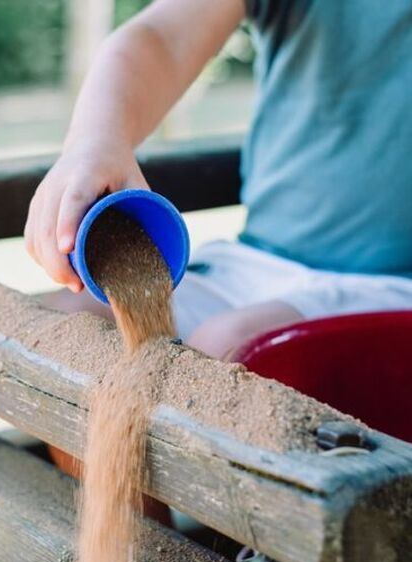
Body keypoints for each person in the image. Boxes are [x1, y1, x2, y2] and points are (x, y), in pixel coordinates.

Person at [24, 0, 412, 359]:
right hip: (251, 263)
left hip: (393, 284)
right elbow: (163, 38)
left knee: (227, 348)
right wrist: (96, 139)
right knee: (65, 324)